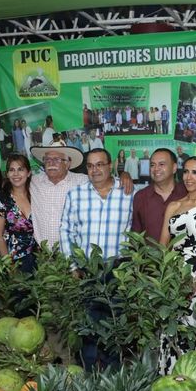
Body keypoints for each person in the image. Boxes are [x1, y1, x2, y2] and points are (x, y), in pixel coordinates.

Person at [60, 148, 133, 369]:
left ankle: (113, 374)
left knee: (115, 323)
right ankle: (89, 373)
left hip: (117, 270)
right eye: (90, 166)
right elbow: (65, 231)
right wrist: (72, 265)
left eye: (100, 164)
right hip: (86, 270)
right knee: (87, 325)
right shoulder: (76, 194)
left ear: (110, 165)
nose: (95, 170)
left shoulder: (129, 192)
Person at [158, 156, 196, 373]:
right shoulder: (173, 206)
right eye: (186, 172)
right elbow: (163, 248)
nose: (189, 177)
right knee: (171, 339)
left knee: (195, 343)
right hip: (172, 285)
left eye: (195, 172)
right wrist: (165, 282)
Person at [30, 142, 133, 250]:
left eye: (57, 159)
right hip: (42, 254)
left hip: (73, 252)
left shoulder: (83, 180)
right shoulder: (34, 181)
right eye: (47, 160)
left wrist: (124, 174)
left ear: (68, 163)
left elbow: (103, 177)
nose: (51, 163)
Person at [0, 155, 37, 272]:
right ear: (7, 174)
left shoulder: (36, 196)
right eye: (12, 170)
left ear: (29, 173)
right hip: (12, 261)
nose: (16, 174)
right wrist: (10, 267)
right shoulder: (2, 198)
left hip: (37, 261)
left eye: (20, 169)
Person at [132, 148, 186, 242]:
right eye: (152, 165)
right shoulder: (141, 197)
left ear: (174, 168)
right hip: (148, 256)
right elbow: (135, 236)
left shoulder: (186, 194)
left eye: (161, 164)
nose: (156, 169)